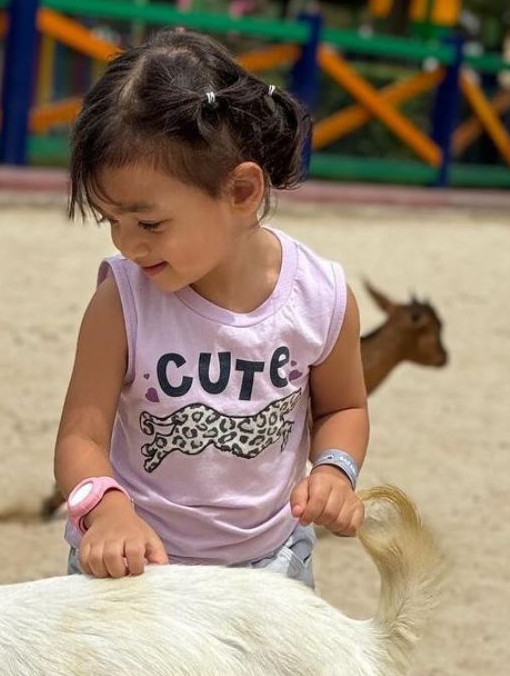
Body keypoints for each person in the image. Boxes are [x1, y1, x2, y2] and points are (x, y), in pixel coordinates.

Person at [54, 29, 369, 584]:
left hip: (269, 565)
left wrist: (335, 471)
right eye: (112, 222)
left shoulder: (320, 297)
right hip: (138, 565)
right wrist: (108, 513)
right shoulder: (122, 301)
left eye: (149, 223)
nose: (127, 244)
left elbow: (343, 409)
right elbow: (81, 437)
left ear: (242, 193)